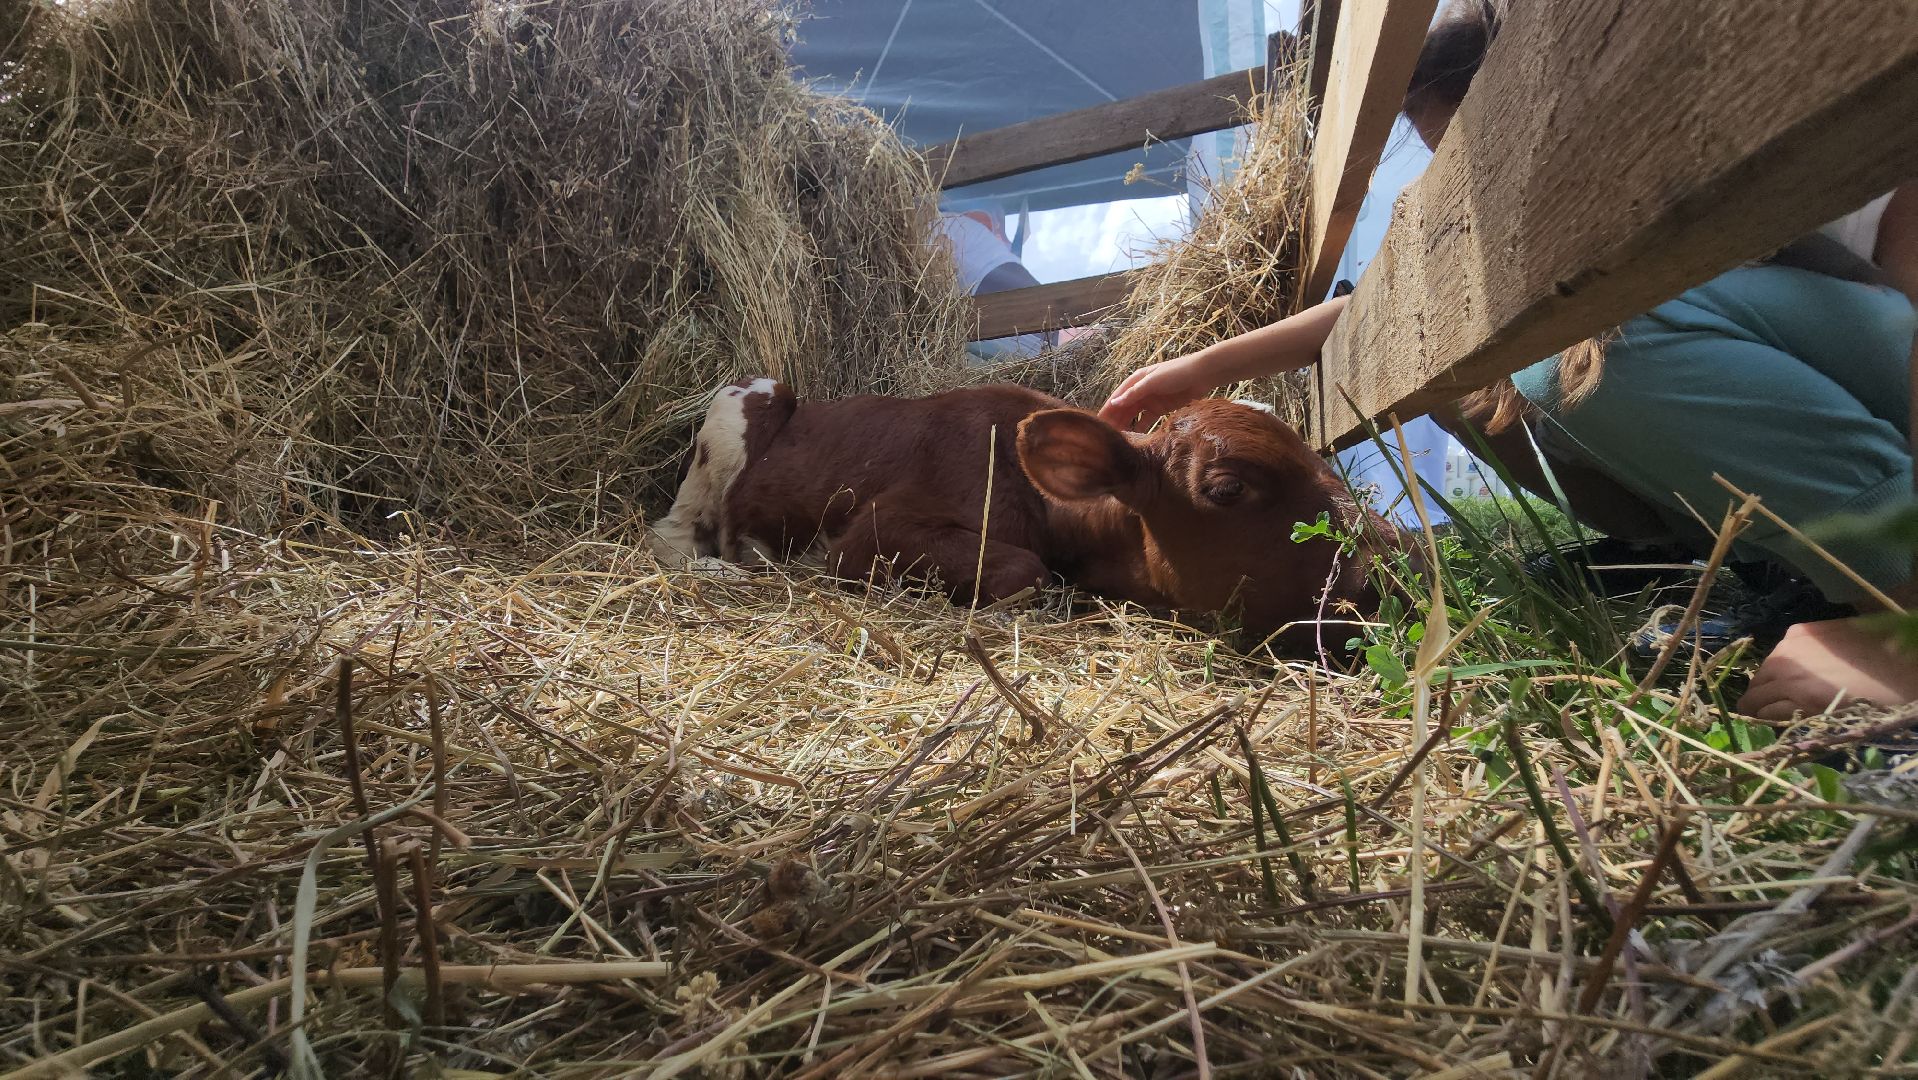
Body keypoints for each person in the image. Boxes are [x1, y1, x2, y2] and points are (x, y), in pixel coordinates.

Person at [1098, 0, 1918, 720]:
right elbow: (1389, 307)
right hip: (1818, 434)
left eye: (1474, 161)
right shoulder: (1556, 234)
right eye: (1446, 169)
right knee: (1465, 369)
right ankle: (1772, 562)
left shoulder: (1785, 117)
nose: (1467, 194)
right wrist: (1200, 368)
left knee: (1579, 358)